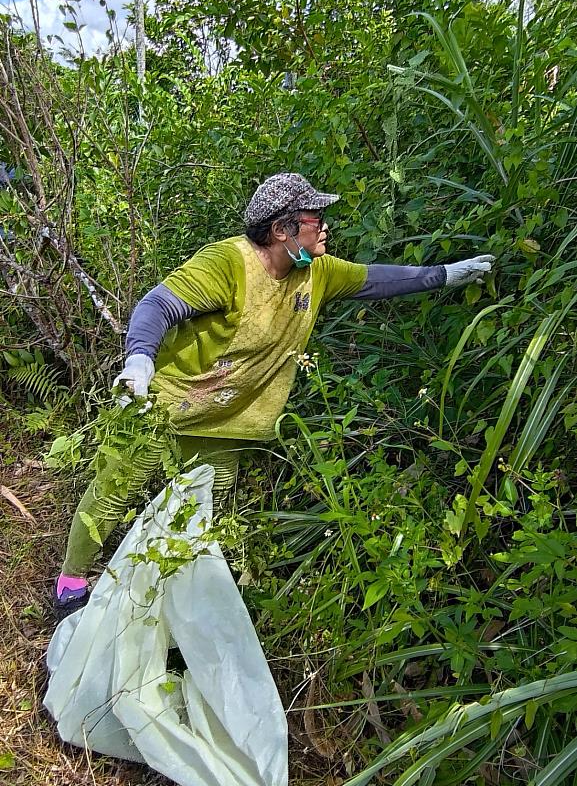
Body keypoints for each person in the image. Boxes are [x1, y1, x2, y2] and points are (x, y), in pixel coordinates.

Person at [53, 172, 494, 617]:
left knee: (209, 513)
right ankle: (71, 583)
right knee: (113, 493)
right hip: (162, 404)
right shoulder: (227, 263)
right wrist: (139, 361)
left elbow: (376, 279)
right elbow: (158, 306)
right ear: (281, 230)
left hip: (226, 421)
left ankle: (179, 605)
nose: (324, 227)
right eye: (314, 217)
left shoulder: (315, 271)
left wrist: (444, 275)